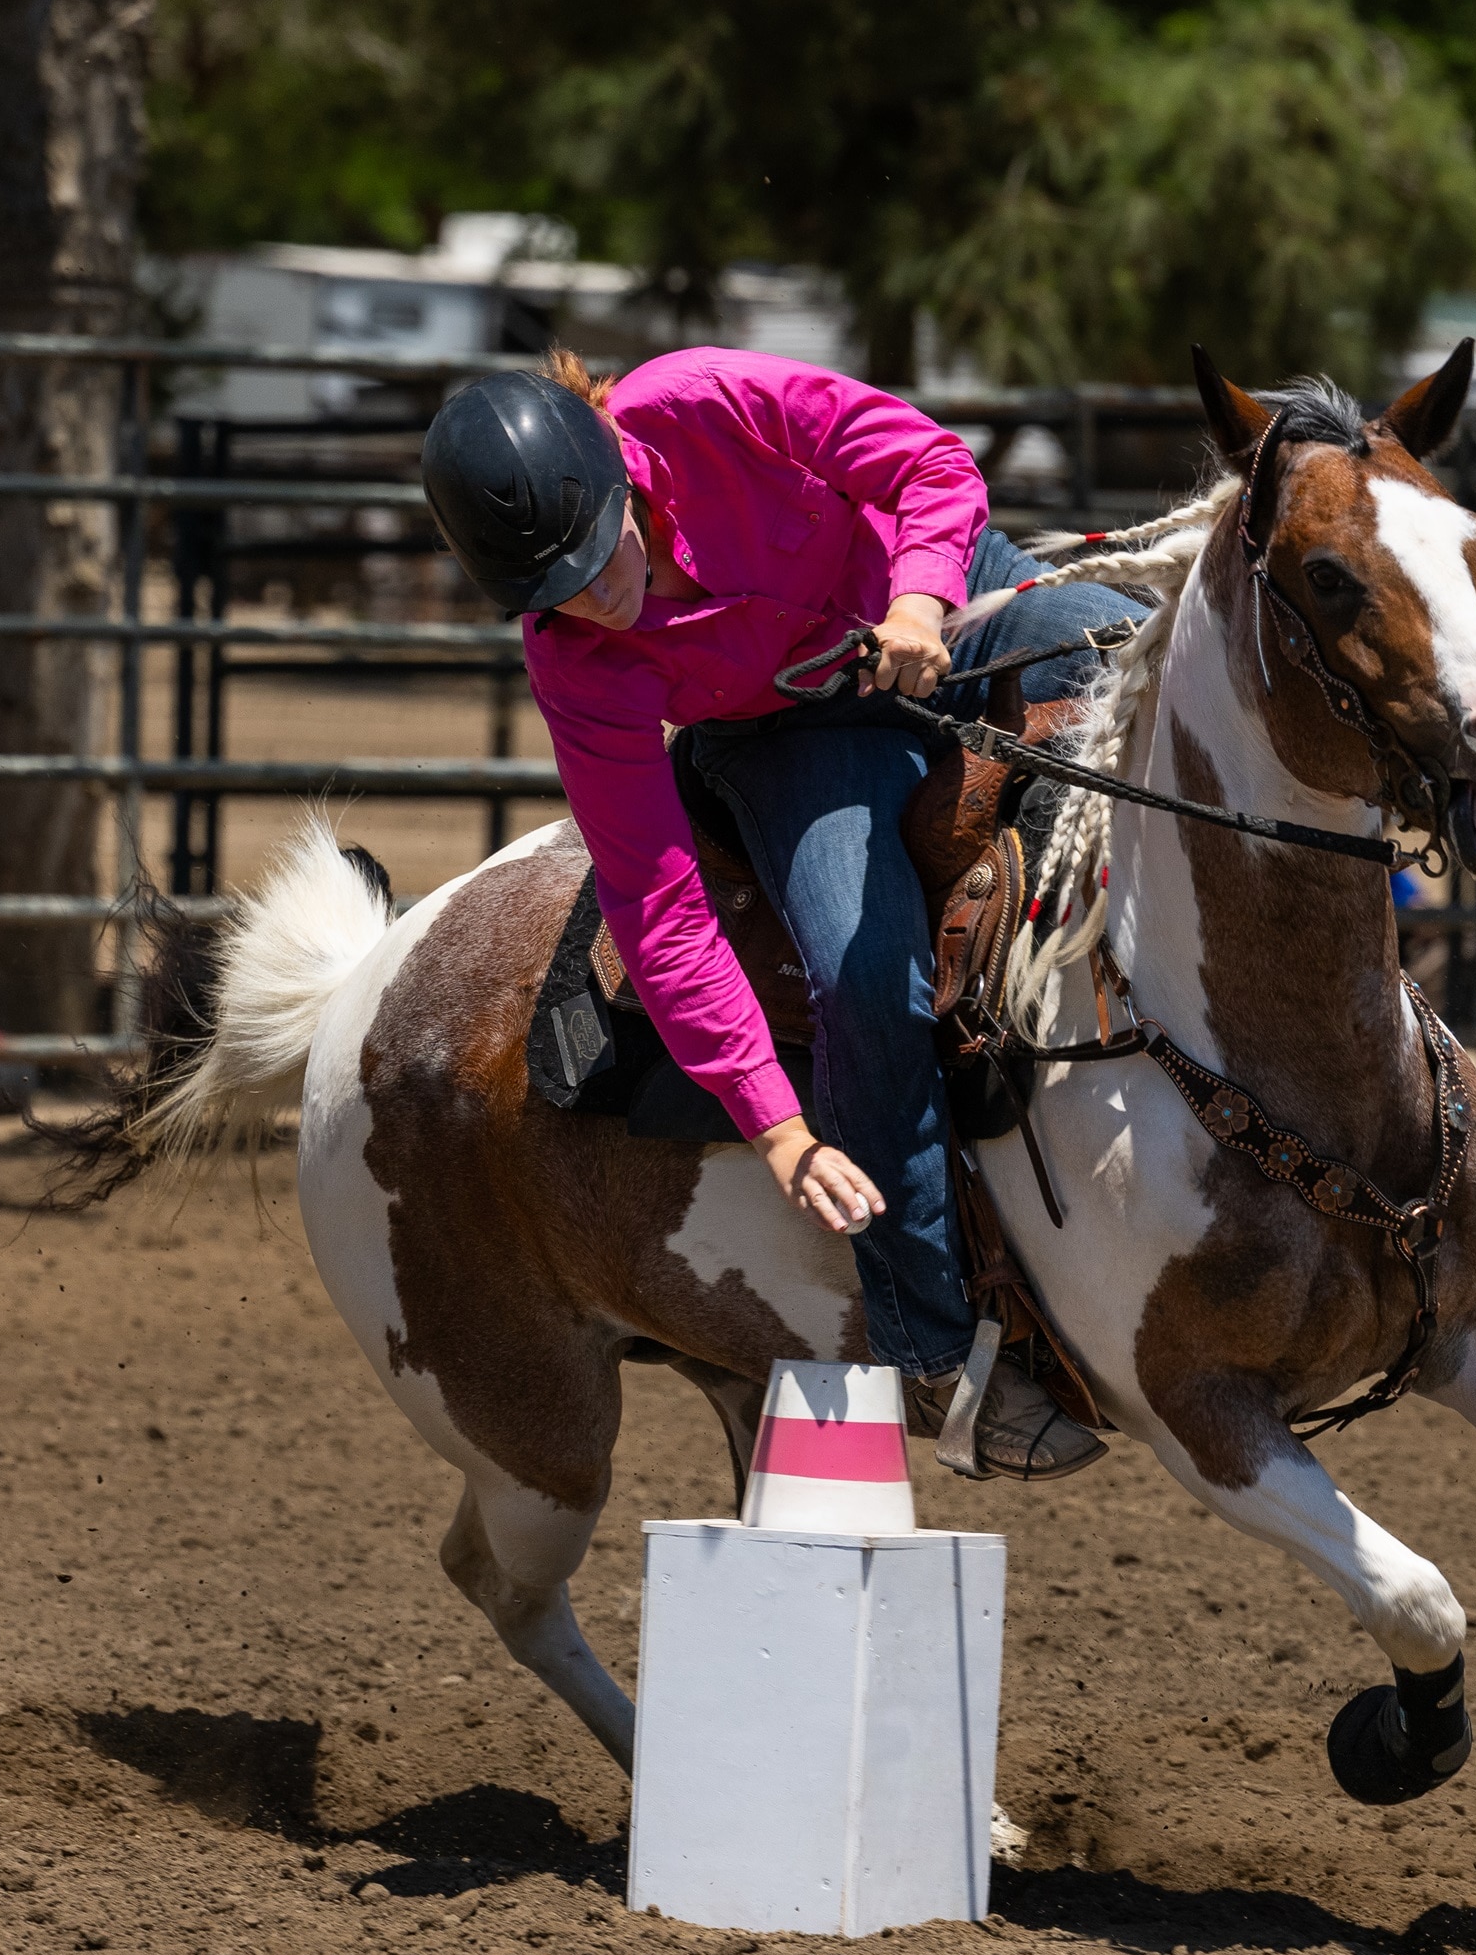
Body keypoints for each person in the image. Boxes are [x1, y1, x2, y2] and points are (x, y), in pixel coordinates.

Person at [420, 348, 1144, 1479]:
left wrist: (916, 595)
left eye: (598, 549)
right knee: (864, 976)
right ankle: (939, 1354)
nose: (594, 597)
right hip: (797, 728)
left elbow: (925, 461)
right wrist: (778, 1127)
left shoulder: (701, 396)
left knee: (1139, 652)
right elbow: (656, 905)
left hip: (948, 598)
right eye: (553, 591)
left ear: (619, 463)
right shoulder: (577, 665)